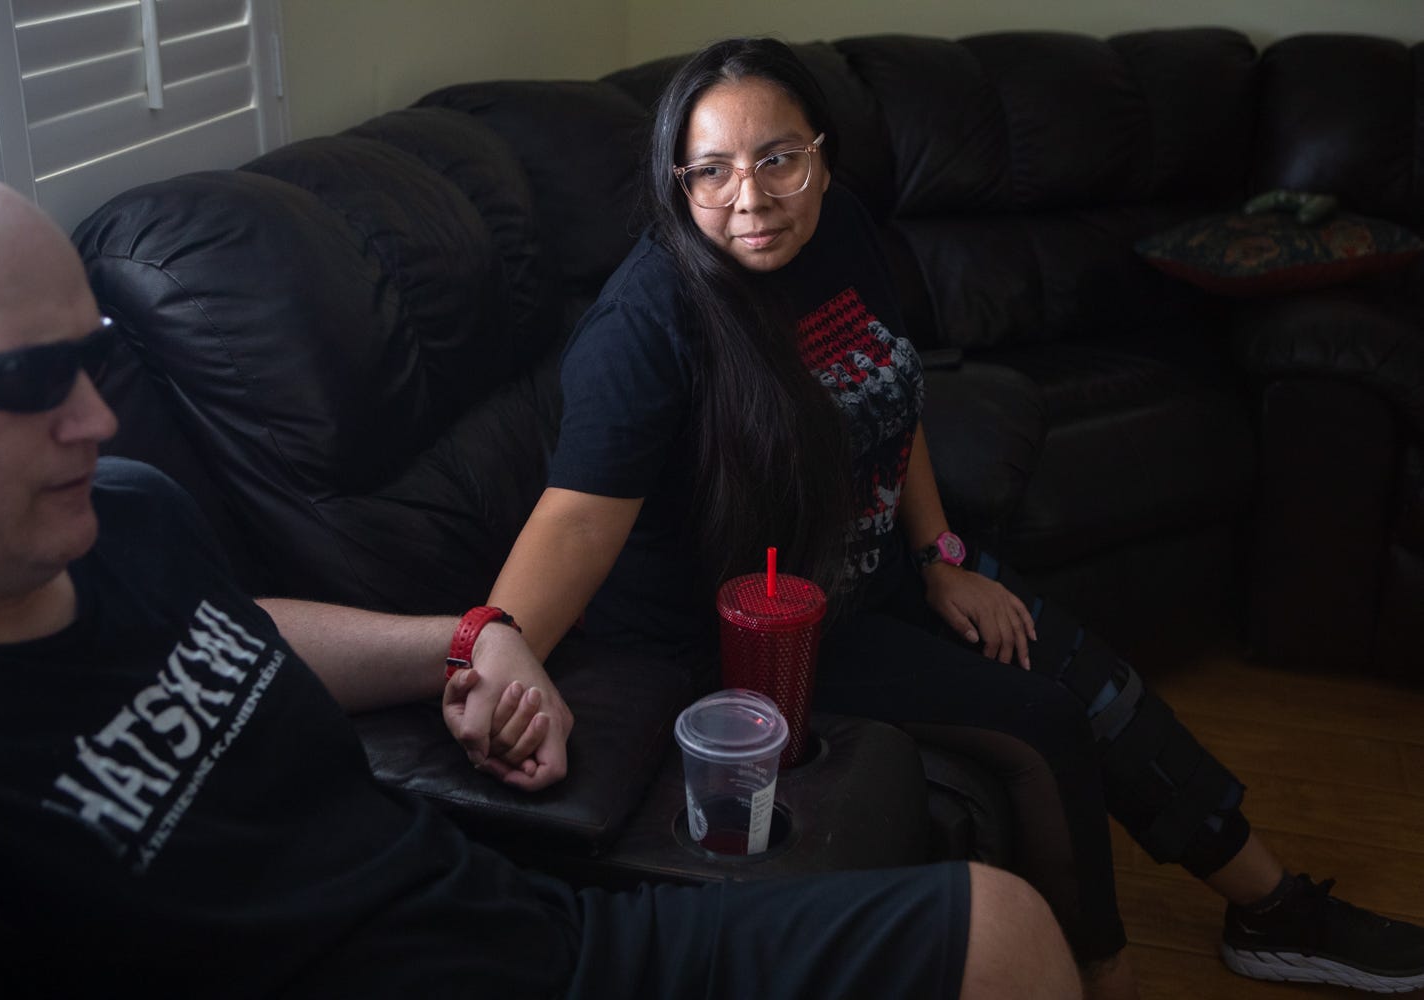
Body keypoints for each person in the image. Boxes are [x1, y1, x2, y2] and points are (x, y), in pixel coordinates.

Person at [0, 167, 1082, 999]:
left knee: (1000, 930)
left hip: (534, 933)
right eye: (29, 375)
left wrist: (473, 636)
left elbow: (237, 629)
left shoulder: (126, 514)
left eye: (89, 355)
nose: (95, 415)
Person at [473, 36, 1424, 999]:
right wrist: (497, 642)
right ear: (676, 180)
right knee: (1047, 721)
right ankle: (1106, 973)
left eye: (778, 160)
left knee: (1098, 680)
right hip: (761, 632)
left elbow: (891, 399)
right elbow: (578, 522)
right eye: (711, 172)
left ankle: (1274, 910)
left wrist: (942, 554)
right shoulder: (645, 325)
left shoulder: (836, 230)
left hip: (879, 574)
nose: (750, 199)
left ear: (823, 155)